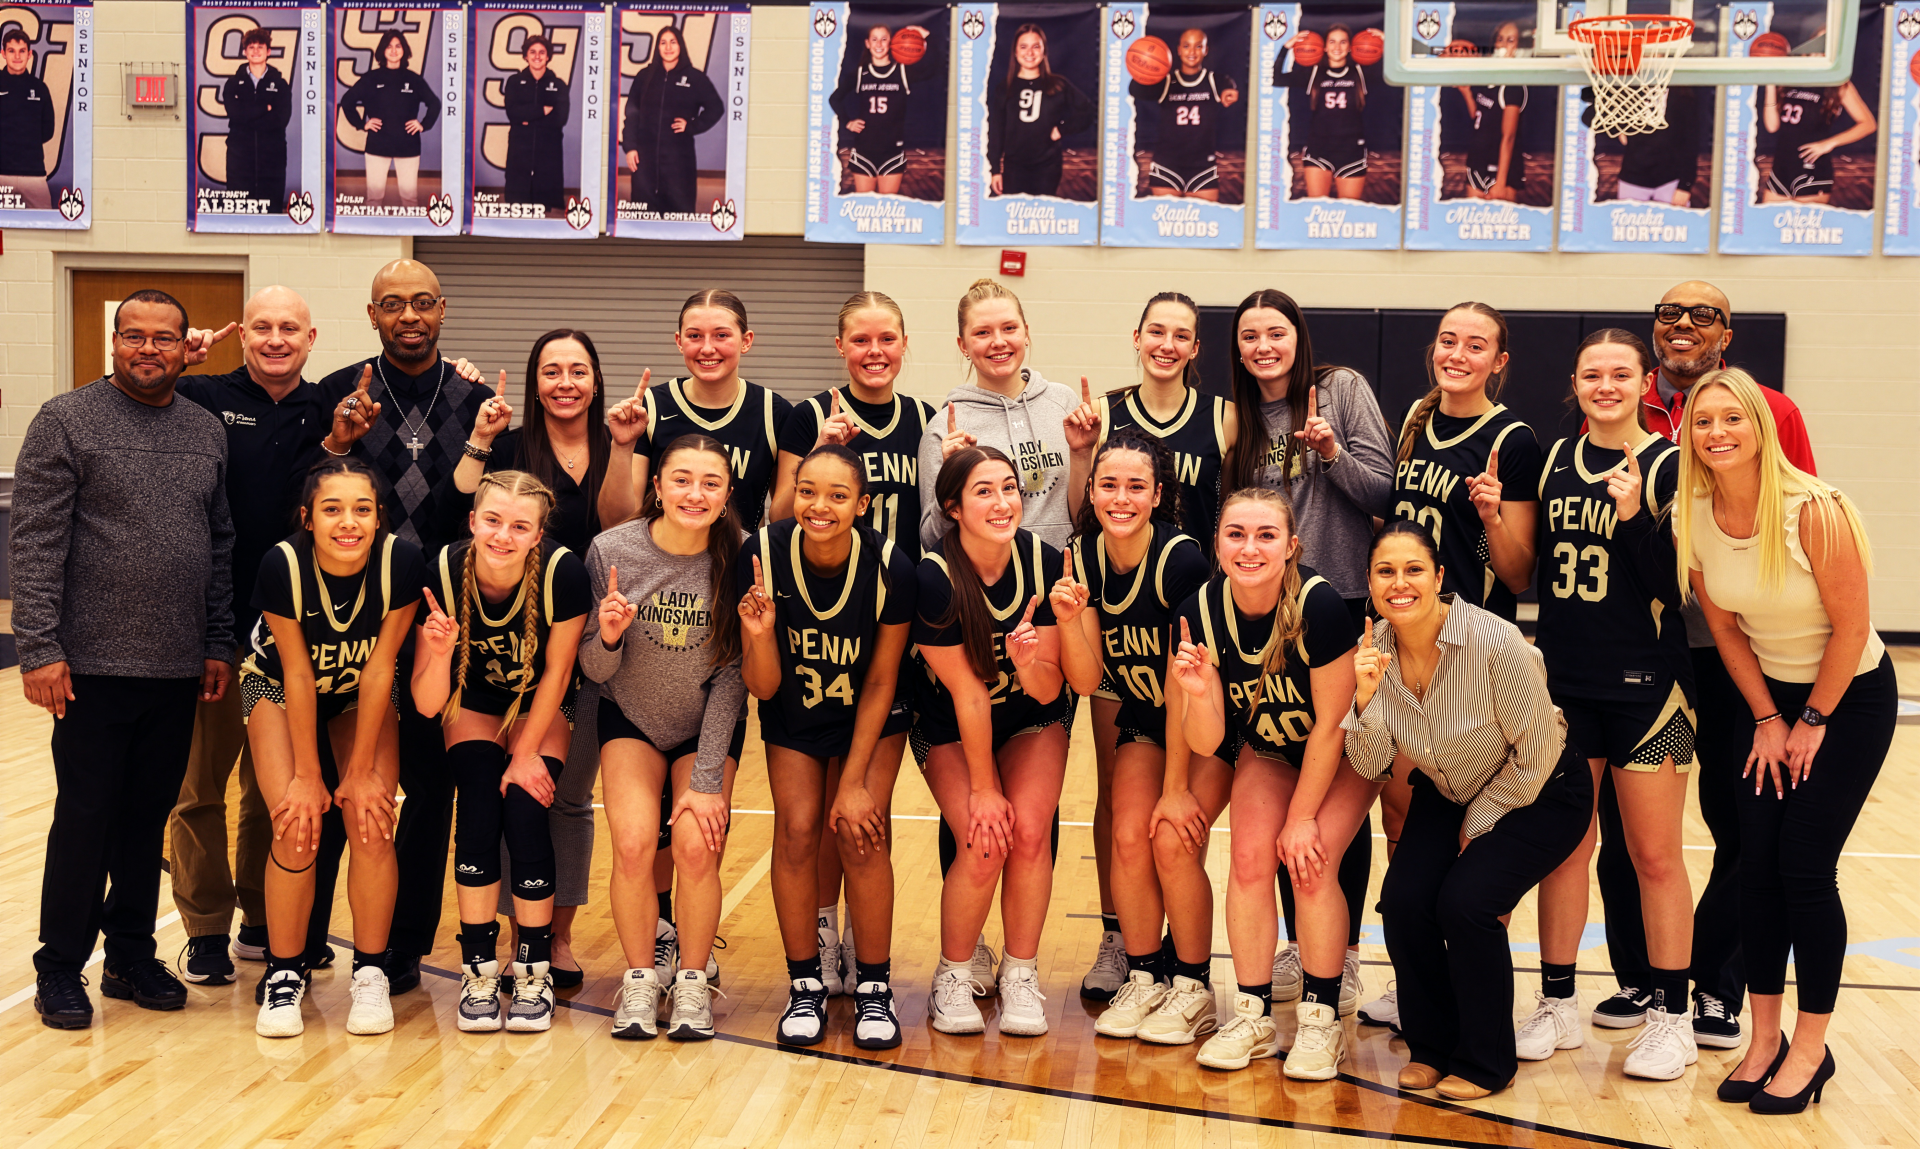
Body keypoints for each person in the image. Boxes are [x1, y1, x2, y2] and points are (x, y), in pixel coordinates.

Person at [1589, 281, 1817, 1048]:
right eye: (1669, 314)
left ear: (1728, 333)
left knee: (1743, 822)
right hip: (1642, 651)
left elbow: (1801, 512)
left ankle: (1717, 983)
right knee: (1624, 831)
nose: (1682, 325)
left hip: (1736, 652)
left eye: (1702, 315)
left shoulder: (1771, 410)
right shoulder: (1620, 400)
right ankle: (1642, 976)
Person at [15, 289, 236, 1029]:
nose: (149, 348)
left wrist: (216, 640)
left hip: (175, 666)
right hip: (88, 668)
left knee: (147, 821)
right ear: (114, 343)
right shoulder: (66, 420)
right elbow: (36, 540)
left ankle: (131, 956)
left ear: (183, 347)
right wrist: (39, 647)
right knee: (85, 819)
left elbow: (219, 543)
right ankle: (59, 966)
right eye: (134, 335)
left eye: (164, 337)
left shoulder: (204, 430)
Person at [1677, 368, 1892, 1114]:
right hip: (1767, 699)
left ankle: (1811, 1046)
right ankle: (1763, 1039)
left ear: (1762, 428)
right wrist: (1769, 718)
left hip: (1848, 698)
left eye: (1732, 418)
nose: (1717, 433)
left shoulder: (1817, 510)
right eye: (1703, 421)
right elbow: (1724, 627)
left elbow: (1853, 630)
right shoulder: (1693, 512)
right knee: (1757, 866)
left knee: (1804, 865)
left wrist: (1813, 721)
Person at [1345, 520, 1590, 1101]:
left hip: (1540, 789)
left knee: (1467, 903)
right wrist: (1365, 698)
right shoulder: (1375, 650)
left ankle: (1486, 1061)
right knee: (1404, 902)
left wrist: (1478, 825)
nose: (1399, 583)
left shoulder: (1494, 642)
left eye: (1413, 570)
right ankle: (1432, 1047)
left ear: (1439, 577)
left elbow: (1537, 752)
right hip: (1451, 788)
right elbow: (1371, 763)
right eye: (1385, 572)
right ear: (1370, 583)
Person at [168, 286, 361, 988]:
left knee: (269, 788)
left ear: (311, 339)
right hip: (211, 625)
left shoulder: (327, 408)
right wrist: (178, 361)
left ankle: (261, 917)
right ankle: (205, 929)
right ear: (242, 334)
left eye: (289, 328)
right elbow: (120, 397)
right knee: (200, 786)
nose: (275, 338)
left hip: (289, 634)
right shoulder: (201, 394)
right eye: (262, 327)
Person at [1522, 330, 1698, 1080]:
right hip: (1566, 689)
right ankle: (1558, 1002)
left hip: (1650, 693)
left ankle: (1673, 1018)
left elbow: (1676, 587)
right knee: (1566, 848)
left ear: (1643, 382)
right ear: (1575, 383)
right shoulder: (1555, 460)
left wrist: (1632, 518)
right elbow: (1528, 570)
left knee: (1654, 855)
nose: (1605, 385)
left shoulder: (1668, 464)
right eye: (1591, 374)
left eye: (1620, 373)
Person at [319, 259, 490, 996]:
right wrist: (336, 439)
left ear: (443, 308)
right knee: (338, 784)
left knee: (427, 787)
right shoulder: (340, 392)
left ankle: (404, 945)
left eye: (422, 302)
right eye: (393, 304)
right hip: (349, 624)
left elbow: (488, 511)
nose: (409, 316)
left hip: (440, 622)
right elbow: (307, 493)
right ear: (372, 315)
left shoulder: (476, 400)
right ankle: (301, 940)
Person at [1161, 488, 1372, 1077]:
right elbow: (1208, 741)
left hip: (1347, 751)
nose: (1249, 548)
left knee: (1310, 863)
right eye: (1236, 534)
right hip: (1272, 746)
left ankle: (1321, 1020)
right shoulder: (1199, 611)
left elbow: (1333, 725)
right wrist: (1198, 692)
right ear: (1217, 543)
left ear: (1292, 546)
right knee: (1250, 861)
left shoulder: (1318, 605)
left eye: (1266, 535)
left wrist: (1301, 817)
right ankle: (1252, 1015)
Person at [769, 292, 933, 994]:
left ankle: (870, 968)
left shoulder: (925, 419)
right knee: (804, 822)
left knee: (861, 814)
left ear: (904, 343)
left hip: (889, 616)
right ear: (840, 345)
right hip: (813, 621)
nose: (874, 351)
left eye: (886, 338)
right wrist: (817, 455)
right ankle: (821, 936)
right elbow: (779, 515)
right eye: (860, 339)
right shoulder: (808, 415)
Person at [444, 329, 613, 989]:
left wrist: (629, 446)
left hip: (592, 638)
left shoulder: (618, 444)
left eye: (578, 370)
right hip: (512, 646)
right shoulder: (512, 448)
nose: (565, 382)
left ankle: (551, 941)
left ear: (596, 379)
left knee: (563, 799)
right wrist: (480, 436)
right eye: (551, 370)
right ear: (535, 382)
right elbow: (459, 497)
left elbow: (628, 515)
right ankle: (501, 950)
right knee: (504, 801)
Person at [740, 445, 918, 1047]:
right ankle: (805, 983)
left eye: (838, 495)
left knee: (860, 834)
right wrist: (760, 635)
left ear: (861, 505)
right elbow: (763, 686)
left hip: (872, 714)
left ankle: (874, 988)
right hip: (794, 710)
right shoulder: (761, 555)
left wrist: (854, 781)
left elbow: (882, 679)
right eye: (807, 491)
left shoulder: (891, 565)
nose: (820, 505)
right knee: (796, 831)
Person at [246, 460, 424, 1038]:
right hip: (278, 687)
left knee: (371, 820)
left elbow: (379, 669)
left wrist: (362, 770)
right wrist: (307, 776)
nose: (348, 522)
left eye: (362, 510)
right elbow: (298, 675)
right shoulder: (283, 564)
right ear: (308, 518)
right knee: (295, 824)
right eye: (332, 509)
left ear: (379, 519)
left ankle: (370, 973)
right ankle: (283, 973)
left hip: (356, 692)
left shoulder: (401, 561)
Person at [582, 435, 747, 1042]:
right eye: (681, 479)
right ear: (657, 486)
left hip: (707, 722)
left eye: (710, 482)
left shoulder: (742, 556)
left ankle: (693, 983)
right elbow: (594, 670)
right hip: (630, 717)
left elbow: (734, 676)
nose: (694, 493)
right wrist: (609, 637)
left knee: (696, 847)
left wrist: (704, 782)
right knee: (631, 845)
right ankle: (641, 978)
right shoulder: (612, 551)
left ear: (727, 493)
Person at [412, 471, 590, 1034]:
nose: (502, 535)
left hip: (540, 705)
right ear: (472, 521)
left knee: (526, 809)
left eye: (519, 526)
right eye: (492, 520)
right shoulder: (443, 571)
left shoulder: (563, 573)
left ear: (538, 535)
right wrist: (440, 654)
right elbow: (426, 703)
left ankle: (533, 971)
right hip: (473, 704)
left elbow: (559, 672)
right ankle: (479, 972)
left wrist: (525, 754)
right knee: (478, 811)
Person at [1050, 432, 1210, 1038]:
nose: (1121, 498)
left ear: (1157, 495)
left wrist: (1175, 786)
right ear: (1090, 492)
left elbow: (1183, 683)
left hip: (1201, 717)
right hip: (1143, 712)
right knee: (1124, 830)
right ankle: (1143, 973)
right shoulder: (1082, 556)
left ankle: (1191, 983)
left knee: (1170, 834)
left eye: (1136, 486)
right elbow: (1088, 680)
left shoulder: (1181, 561)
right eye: (1109, 485)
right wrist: (1070, 622)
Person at [916, 447, 1071, 1038]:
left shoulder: (1045, 561)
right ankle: (954, 973)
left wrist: (1028, 663)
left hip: (1033, 716)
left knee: (1029, 833)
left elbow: (1051, 686)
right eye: (984, 491)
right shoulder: (934, 577)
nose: (1003, 502)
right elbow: (968, 693)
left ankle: (1020, 972)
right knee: (985, 841)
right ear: (953, 507)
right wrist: (983, 789)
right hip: (951, 724)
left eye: (1010, 487)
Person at [1228, 287, 1393, 627]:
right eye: (1250, 337)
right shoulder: (1238, 421)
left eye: (1276, 334)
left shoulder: (1342, 387)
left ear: (1298, 339)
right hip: (1274, 599)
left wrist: (1332, 454)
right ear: (1239, 350)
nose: (1263, 346)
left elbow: (1384, 498)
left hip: (1347, 594)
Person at [918, 278, 1095, 553]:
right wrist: (950, 481)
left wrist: (1082, 454)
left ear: (1026, 333)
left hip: (1064, 572)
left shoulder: (1063, 402)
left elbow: (1084, 521)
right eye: (982, 333)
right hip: (988, 576)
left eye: (1009, 328)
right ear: (963, 345)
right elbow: (932, 541)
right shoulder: (945, 429)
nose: (999, 342)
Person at [604, 290, 791, 532]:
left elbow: (785, 519)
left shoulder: (774, 412)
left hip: (739, 553)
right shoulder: (650, 407)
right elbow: (616, 525)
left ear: (746, 341)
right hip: (660, 554)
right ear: (679, 341)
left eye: (721, 335)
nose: (707, 348)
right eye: (694, 336)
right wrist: (621, 447)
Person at [1099, 291, 1235, 538]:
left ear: (1194, 348)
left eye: (1181, 336)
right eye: (1157, 332)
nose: (1167, 345)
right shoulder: (1102, 414)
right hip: (1119, 562)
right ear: (1137, 338)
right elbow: (1082, 512)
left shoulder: (1226, 418)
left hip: (1198, 562)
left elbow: (1231, 513)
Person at [621, 25, 723, 215]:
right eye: (663, 43)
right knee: (643, 215)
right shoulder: (644, 77)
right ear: (657, 47)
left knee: (678, 214)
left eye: (673, 42)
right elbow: (631, 114)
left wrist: (692, 126)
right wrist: (630, 147)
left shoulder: (694, 78)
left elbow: (716, 107)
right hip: (645, 159)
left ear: (680, 45)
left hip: (678, 161)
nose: (668, 47)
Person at [829, 23, 940, 196]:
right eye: (874, 39)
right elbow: (835, 98)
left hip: (892, 152)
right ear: (867, 43)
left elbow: (933, 68)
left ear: (891, 43)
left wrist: (927, 37)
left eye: (884, 39)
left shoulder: (902, 72)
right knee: (865, 207)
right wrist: (847, 121)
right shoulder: (861, 74)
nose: (879, 44)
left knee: (887, 206)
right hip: (864, 151)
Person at [1131, 27, 1240, 201]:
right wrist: (1141, 68)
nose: (1192, 52)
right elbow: (1135, 89)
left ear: (1206, 50)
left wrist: (1230, 90)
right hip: (1167, 166)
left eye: (1198, 46)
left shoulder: (1214, 81)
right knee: (1165, 218)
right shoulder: (1166, 81)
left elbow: (1228, 85)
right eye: (1187, 46)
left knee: (1203, 218)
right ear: (1179, 50)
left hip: (1202, 167)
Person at [987, 24, 1094, 199]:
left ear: (1044, 51)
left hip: (1047, 168)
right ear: (1015, 52)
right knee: (1016, 213)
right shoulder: (1005, 88)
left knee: (1041, 213)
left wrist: (1062, 129)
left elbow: (1088, 111)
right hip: (1014, 168)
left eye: (1036, 46)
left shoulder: (1058, 85)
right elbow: (996, 131)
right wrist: (995, 170)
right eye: (1023, 47)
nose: (1030, 52)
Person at [341, 31, 442, 209]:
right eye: (389, 46)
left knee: (410, 200)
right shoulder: (371, 78)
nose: (393, 50)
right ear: (382, 50)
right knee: (374, 199)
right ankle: (374, 229)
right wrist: (362, 124)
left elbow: (434, 103)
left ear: (404, 50)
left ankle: (409, 228)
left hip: (408, 145)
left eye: (398, 46)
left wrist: (423, 124)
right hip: (378, 145)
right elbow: (347, 101)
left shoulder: (413, 79)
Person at [1278, 26, 1369, 201]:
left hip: (1351, 149)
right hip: (1319, 147)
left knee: (1350, 210)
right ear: (1325, 47)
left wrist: (1387, 43)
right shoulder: (1313, 72)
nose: (1337, 47)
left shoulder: (1360, 72)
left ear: (1350, 47)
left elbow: (1395, 74)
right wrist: (1286, 47)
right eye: (1332, 42)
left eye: (1343, 42)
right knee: (1317, 207)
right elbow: (1277, 78)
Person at [1760, 78, 1875, 204]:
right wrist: (1770, 85)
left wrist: (1829, 143)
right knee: (1768, 217)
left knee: (1806, 217)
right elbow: (1772, 127)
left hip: (1812, 171)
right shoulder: (1789, 78)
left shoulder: (1838, 83)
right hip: (1780, 170)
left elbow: (1868, 124)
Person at [222, 27, 293, 213]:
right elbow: (234, 114)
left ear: (268, 51)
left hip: (272, 155)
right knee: (239, 208)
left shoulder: (280, 85)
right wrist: (264, 108)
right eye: (251, 47)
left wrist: (248, 117)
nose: (255, 51)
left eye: (260, 47)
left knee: (271, 208)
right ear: (245, 52)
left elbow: (281, 119)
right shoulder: (232, 84)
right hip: (239, 154)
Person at [1596, 85, 1699, 206]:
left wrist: (1685, 186)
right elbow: (1595, 118)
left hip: (1670, 180)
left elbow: (1691, 145)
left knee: (1674, 219)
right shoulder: (1628, 93)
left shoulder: (1683, 99)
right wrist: (1619, 128)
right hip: (1633, 178)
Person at [1457, 23, 1524, 202]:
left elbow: (1509, 137)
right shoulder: (1486, 78)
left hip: (1502, 169)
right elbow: (1478, 116)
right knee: (1473, 217)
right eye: (1500, 39)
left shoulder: (1513, 86)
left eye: (1510, 40)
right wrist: (1466, 92)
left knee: (1501, 218)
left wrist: (1500, 182)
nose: (1503, 45)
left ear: (1519, 47)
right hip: (1477, 162)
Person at [502, 35, 569, 211]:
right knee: (517, 204)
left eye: (542, 52)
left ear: (548, 56)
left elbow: (561, 118)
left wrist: (528, 120)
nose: (537, 56)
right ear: (526, 56)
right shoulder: (514, 82)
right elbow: (513, 113)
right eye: (532, 52)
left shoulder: (559, 85)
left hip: (548, 147)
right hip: (520, 146)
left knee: (545, 207)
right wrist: (542, 110)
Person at [1, 27, 57, 211]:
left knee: (45, 224)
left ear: (29, 54)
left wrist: (26, 142)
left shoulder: (40, 88)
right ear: (3, 54)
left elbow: (48, 130)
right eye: (11, 51)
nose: (17, 56)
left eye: (22, 51)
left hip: (34, 175)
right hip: (1, 175)